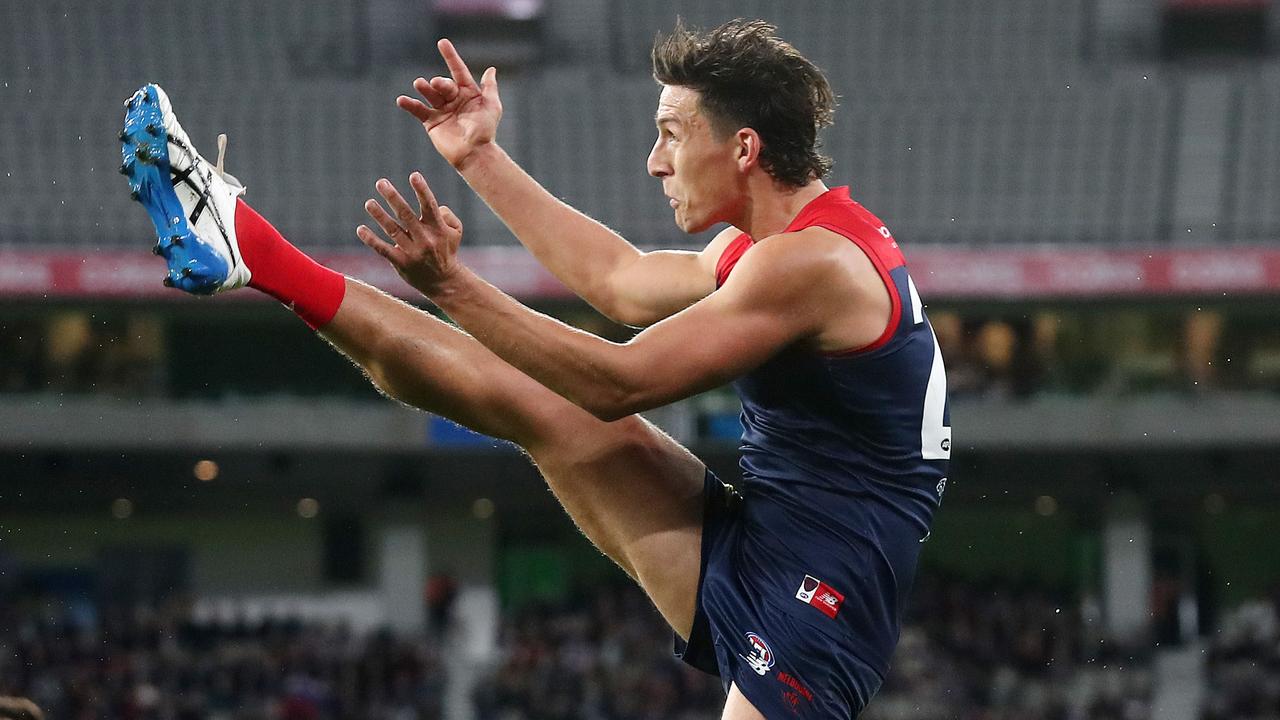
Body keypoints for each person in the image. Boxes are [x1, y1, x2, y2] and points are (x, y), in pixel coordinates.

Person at [120, 19, 949, 718]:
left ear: (743, 147)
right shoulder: (769, 248)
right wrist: (480, 157)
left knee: (573, 402)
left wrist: (454, 287)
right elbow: (619, 283)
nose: (655, 163)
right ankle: (247, 245)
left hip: (826, 596)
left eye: (670, 134)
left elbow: (618, 380)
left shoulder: (810, 267)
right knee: (540, 410)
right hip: (758, 537)